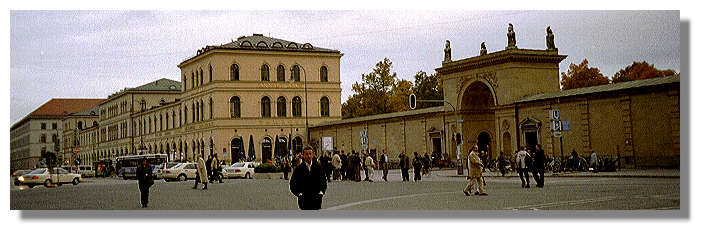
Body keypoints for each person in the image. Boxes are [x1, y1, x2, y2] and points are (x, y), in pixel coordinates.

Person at [289, 145, 327, 210]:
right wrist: (299, 194)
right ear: (303, 155)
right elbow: (293, 183)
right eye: (306, 154)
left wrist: (321, 192)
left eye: (310, 154)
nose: (308, 156)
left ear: (313, 155)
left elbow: (323, 181)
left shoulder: (318, 167)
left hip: (316, 199)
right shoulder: (299, 169)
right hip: (304, 200)